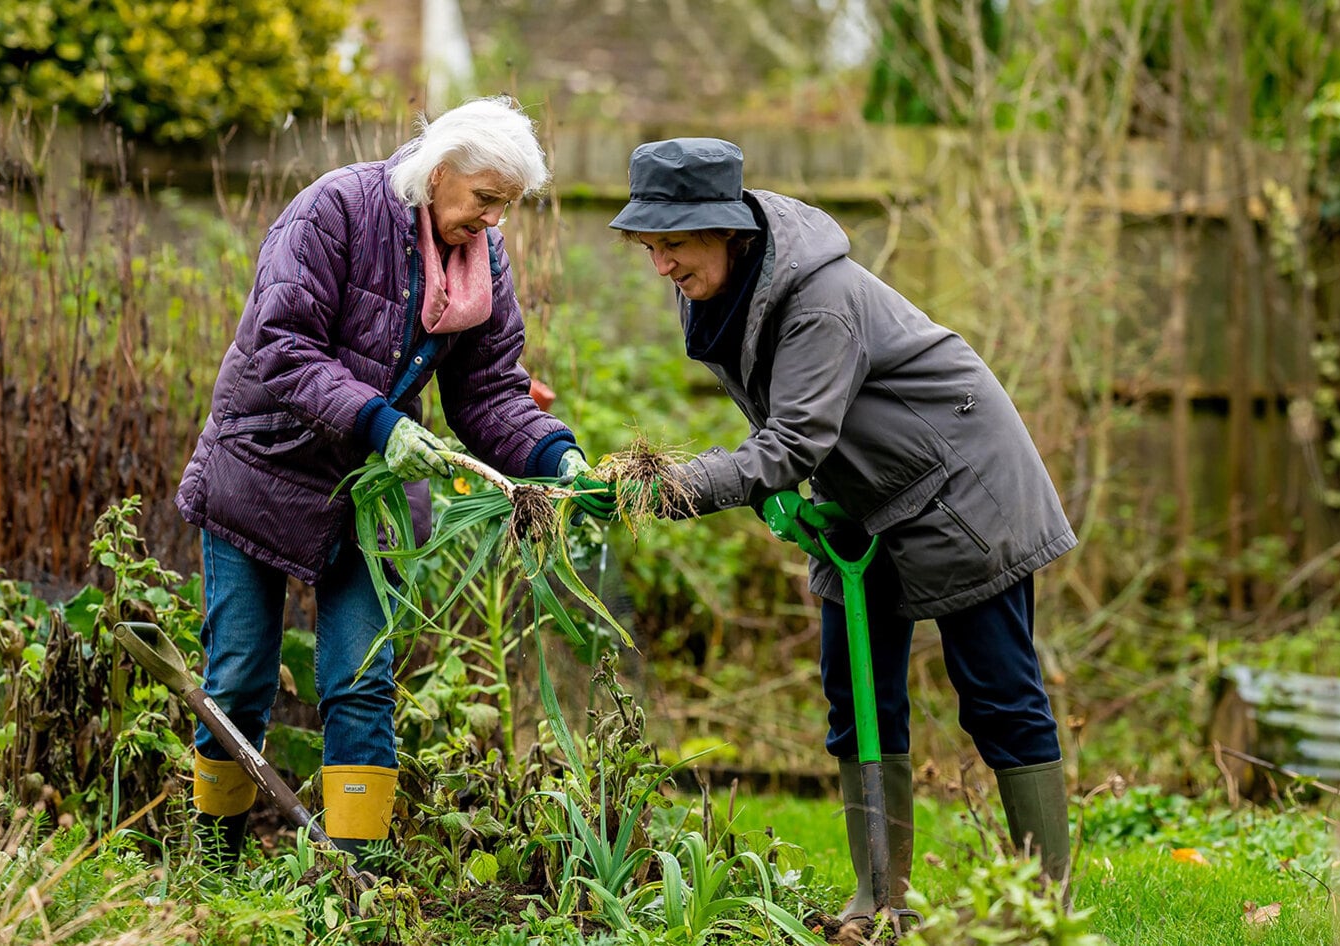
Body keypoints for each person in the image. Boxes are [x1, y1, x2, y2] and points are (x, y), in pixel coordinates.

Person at [575, 138, 1076, 911]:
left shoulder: (818, 300)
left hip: (962, 489)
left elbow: (793, 437)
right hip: (863, 499)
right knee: (856, 696)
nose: (660, 266)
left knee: (996, 695)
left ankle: (1043, 907)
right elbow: (790, 428)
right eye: (649, 246)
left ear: (726, 230)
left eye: (672, 244)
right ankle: (879, 901)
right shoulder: (718, 289)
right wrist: (772, 488)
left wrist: (674, 485)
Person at [174, 96, 591, 869]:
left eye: (506, 207)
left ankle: (350, 880)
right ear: (438, 174)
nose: (494, 223)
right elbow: (281, 343)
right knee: (237, 678)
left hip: (371, 493)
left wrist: (555, 455)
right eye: (485, 201)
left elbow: (489, 392)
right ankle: (215, 864)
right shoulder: (334, 210)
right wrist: (381, 422)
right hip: (262, 466)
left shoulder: (479, 260)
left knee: (360, 682)